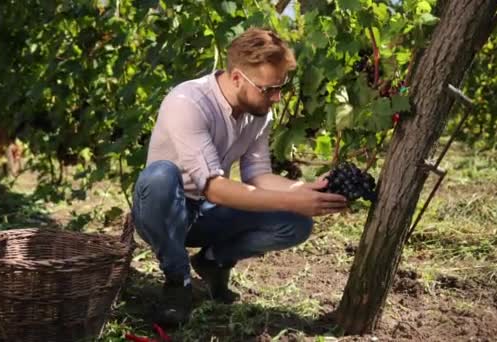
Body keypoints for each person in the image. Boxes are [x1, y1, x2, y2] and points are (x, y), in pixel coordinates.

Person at [131, 27, 348, 326]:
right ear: (236, 78)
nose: (277, 97)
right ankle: (177, 280)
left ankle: (212, 261)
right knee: (159, 176)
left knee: (295, 222)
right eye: (269, 89)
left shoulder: (258, 112)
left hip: (205, 214)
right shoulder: (188, 102)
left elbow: (258, 174)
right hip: (165, 210)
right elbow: (215, 189)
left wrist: (306, 190)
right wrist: (291, 199)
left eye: (281, 87)